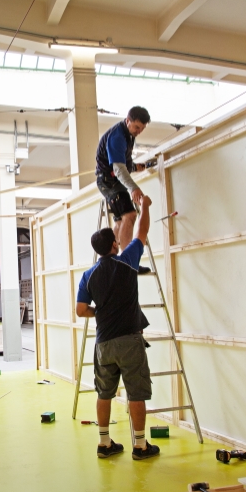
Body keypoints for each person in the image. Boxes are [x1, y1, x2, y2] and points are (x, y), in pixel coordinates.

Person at [75, 195, 158, 461]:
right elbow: (142, 231)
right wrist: (144, 206)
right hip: (129, 341)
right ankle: (141, 446)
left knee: (104, 393)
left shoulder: (88, 276)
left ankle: (104, 443)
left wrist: (100, 311)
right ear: (115, 245)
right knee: (135, 392)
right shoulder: (127, 260)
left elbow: (80, 310)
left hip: (103, 344)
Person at [96, 106, 151, 264]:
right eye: (137, 127)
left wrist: (134, 167)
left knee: (121, 221)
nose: (139, 131)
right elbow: (118, 169)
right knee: (130, 215)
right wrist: (133, 187)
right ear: (128, 121)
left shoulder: (129, 135)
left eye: (142, 128)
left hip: (112, 179)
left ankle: (112, 261)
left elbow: (123, 164)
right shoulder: (118, 136)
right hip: (109, 180)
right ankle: (127, 263)